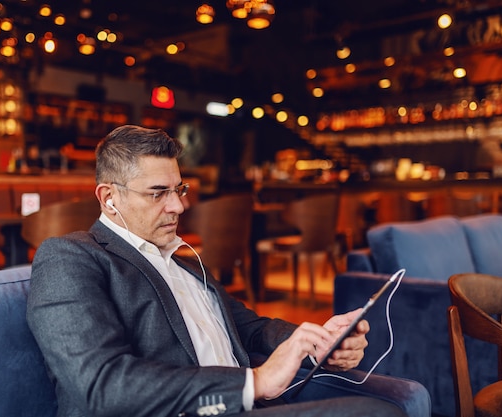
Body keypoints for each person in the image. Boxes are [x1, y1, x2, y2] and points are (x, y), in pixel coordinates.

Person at [26, 125, 408, 417]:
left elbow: (250, 329)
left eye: (180, 189)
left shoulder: (186, 263)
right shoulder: (71, 257)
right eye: (158, 193)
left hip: (243, 405)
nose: (178, 206)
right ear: (109, 198)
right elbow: (100, 385)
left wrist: (315, 344)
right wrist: (253, 381)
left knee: (382, 405)